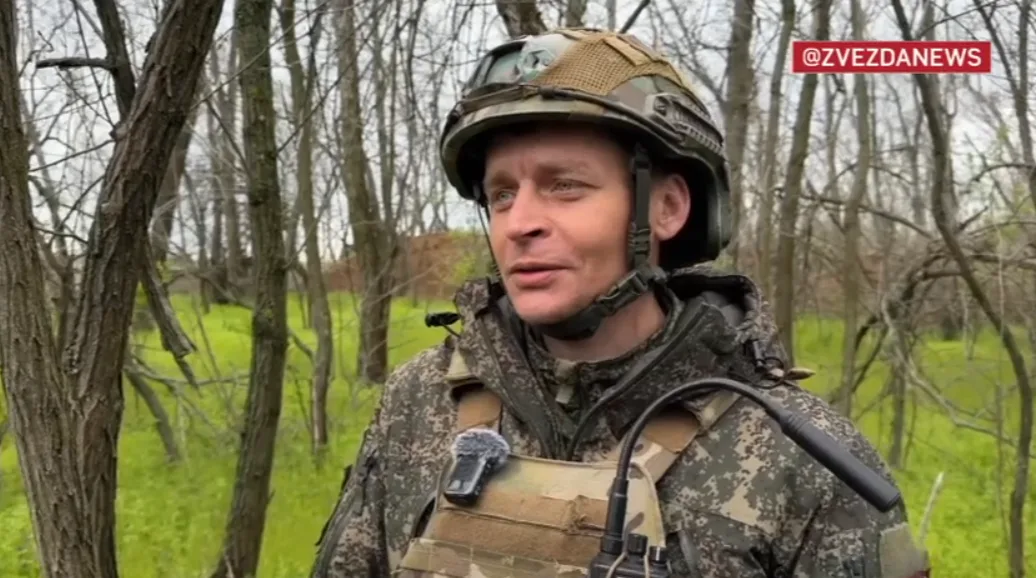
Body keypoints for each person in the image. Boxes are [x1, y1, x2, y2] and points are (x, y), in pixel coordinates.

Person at [310, 27, 930, 578]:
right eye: (501, 195)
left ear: (667, 208)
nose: (519, 223)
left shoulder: (796, 450)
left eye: (564, 186)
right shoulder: (419, 402)